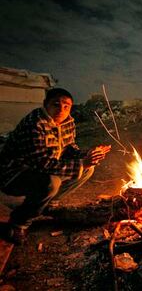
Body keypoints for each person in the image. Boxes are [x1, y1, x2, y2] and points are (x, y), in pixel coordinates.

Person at [0, 88, 111, 244]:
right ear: (45, 104)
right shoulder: (35, 124)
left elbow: (69, 148)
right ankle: (19, 222)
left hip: (41, 168)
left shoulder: (68, 122)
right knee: (51, 182)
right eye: (56, 104)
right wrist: (82, 163)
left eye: (66, 106)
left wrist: (87, 155)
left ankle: (47, 203)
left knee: (87, 169)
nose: (61, 110)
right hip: (13, 174)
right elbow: (42, 163)